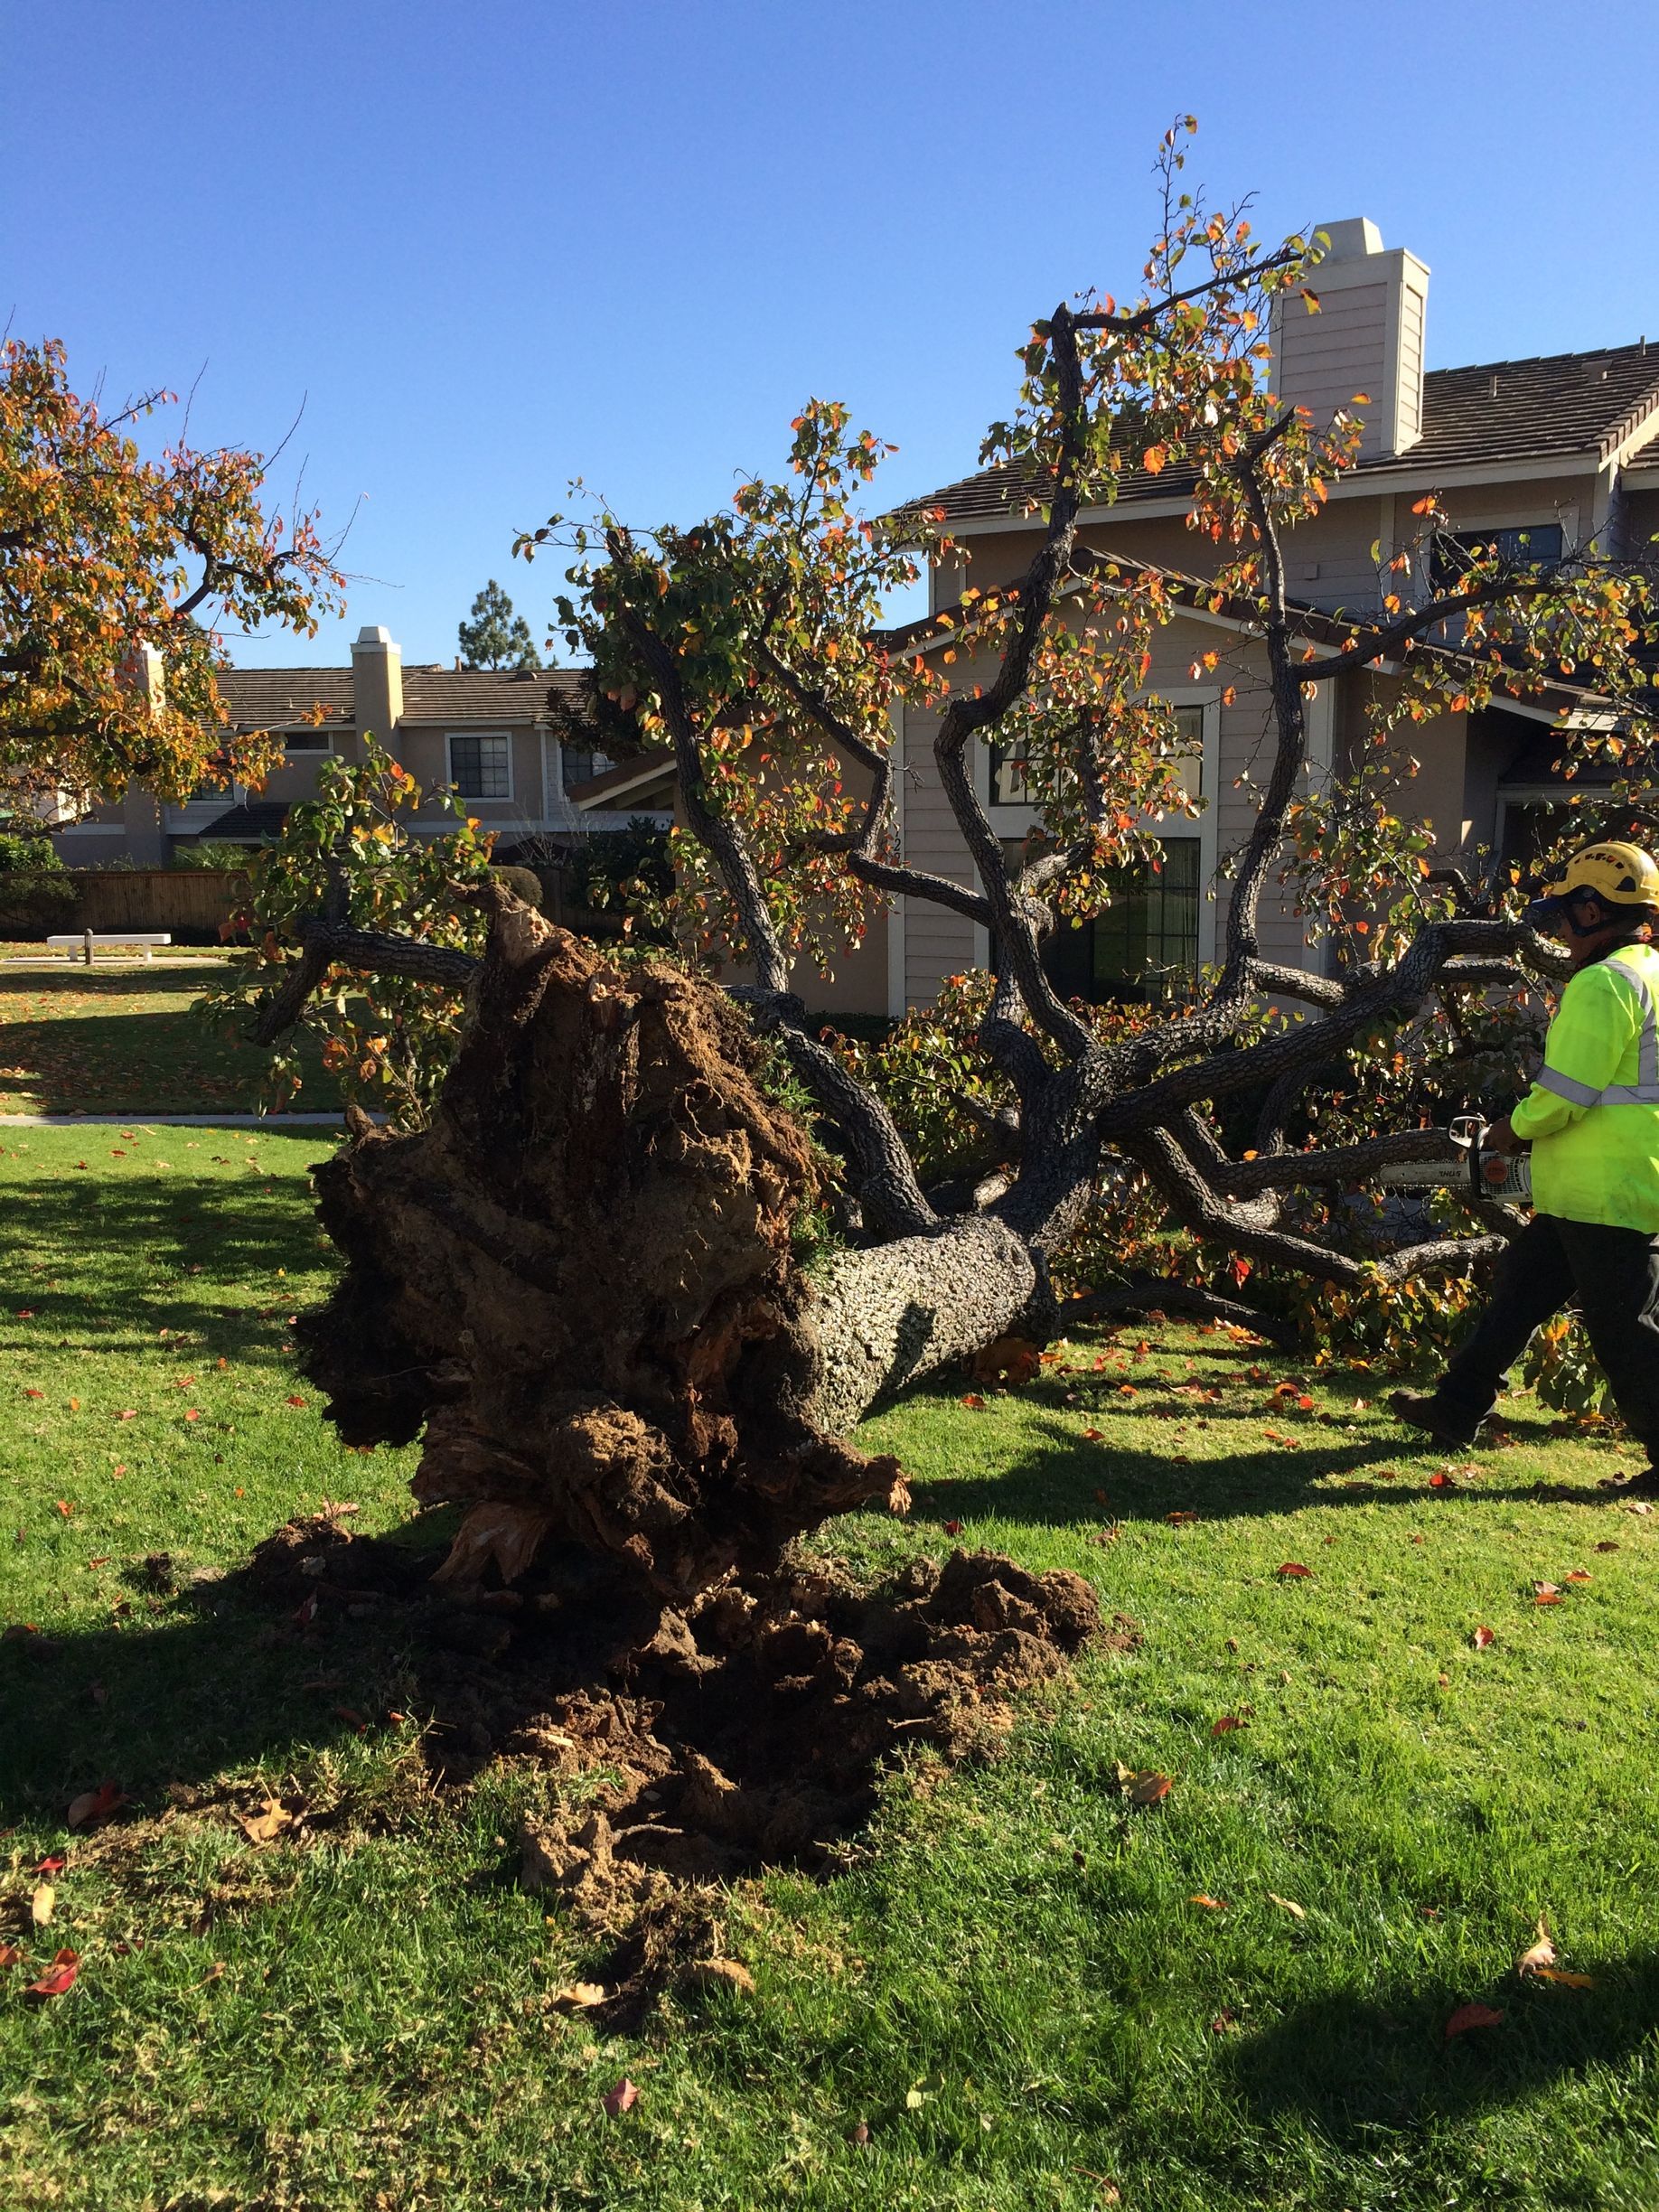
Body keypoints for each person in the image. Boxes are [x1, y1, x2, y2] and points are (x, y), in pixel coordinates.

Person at [1389, 839, 1659, 1492]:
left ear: (1593, 912)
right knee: (1518, 1290)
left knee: (1630, 1337)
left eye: (1567, 912)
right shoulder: (1650, 969)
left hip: (1608, 1193)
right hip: (1595, 1188)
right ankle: (1457, 1408)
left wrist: (1506, 1134)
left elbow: (1566, 1094)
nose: (1561, 928)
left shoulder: (1605, 983)